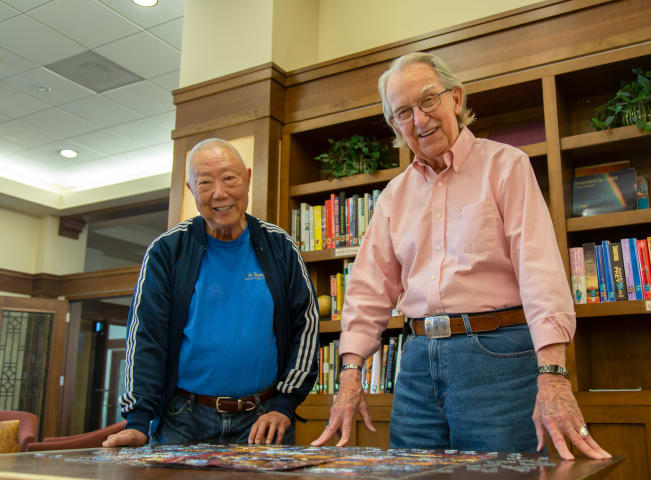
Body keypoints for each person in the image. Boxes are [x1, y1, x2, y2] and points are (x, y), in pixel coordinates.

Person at [311, 52, 610, 460]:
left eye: (428, 100)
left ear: (456, 98)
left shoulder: (507, 167)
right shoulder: (393, 197)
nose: (419, 119)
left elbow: (539, 271)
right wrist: (350, 374)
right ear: (395, 125)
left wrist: (554, 374)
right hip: (415, 364)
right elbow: (368, 289)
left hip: (498, 358)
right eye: (403, 112)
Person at [103, 138, 319, 447]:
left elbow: (306, 327)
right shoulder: (167, 251)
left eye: (229, 178)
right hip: (182, 419)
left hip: (263, 420)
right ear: (191, 190)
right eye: (205, 183)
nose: (219, 193)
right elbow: (146, 337)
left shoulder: (280, 246)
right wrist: (138, 419)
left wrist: (285, 404)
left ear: (246, 178)